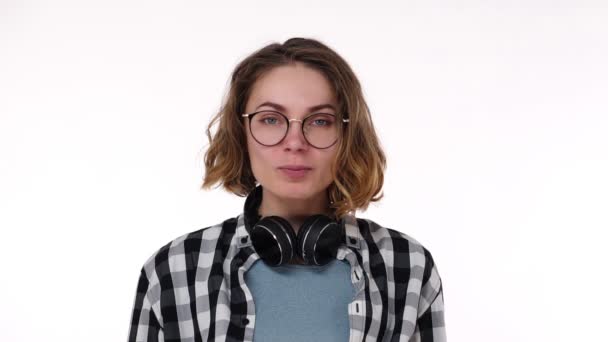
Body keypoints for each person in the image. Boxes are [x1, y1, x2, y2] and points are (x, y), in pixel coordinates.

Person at [127, 37, 446, 342]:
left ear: (347, 135)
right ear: (242, 133)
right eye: (270, 119)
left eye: (320, 121)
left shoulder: (407, 266)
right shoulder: (174, 269)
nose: (295, 143)